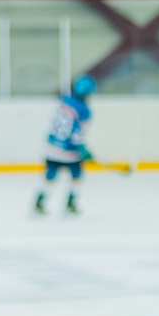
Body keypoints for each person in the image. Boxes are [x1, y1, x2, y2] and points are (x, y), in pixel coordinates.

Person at [33, 75, 95, 216]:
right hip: (68, 152)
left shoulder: (64, 102)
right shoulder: (84, 110)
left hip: (51, 147)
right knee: (77, 175)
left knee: (50, 175)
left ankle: (40, 200)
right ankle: (71, 203)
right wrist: (83, 149)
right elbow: (77, 134)